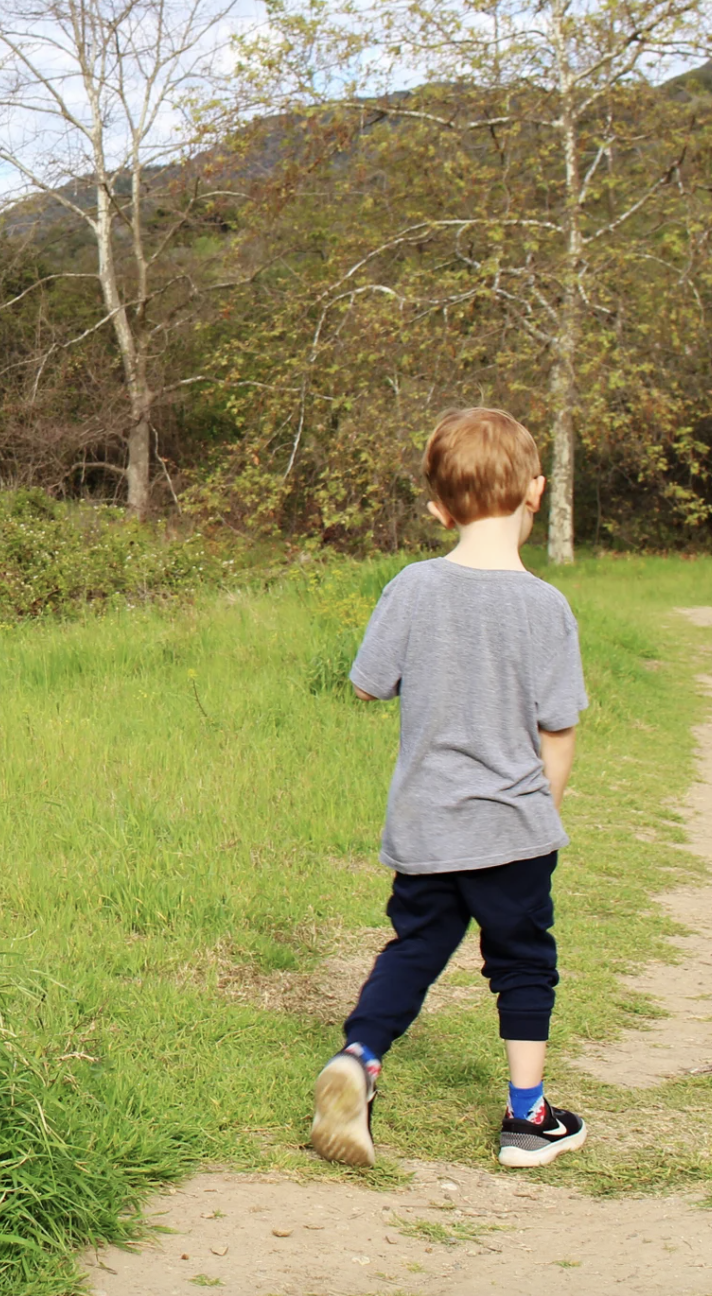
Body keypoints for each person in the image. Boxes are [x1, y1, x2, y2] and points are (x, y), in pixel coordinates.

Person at [310, 407, 588, 1170]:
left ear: (437, 507)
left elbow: (369, 685)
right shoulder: (547, 607)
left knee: (417, 946)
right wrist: (540, 814)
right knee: (523, 962)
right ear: (535, 491)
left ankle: (360, 1057)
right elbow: (557, 733)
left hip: (428, 823)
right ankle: (527, 1120)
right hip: (513, 829)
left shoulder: (412, 586)